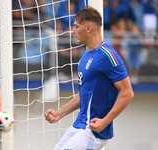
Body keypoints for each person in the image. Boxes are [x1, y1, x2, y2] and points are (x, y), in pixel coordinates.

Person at [45, 6, 134, 150]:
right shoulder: (85, 56)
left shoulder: (108, 55)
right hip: (79, 126)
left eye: (76, 27)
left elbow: (127, 92)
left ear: (88, 28)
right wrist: (59, 114)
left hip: (93, 131)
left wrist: (105, 121)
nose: (73, 31)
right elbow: (84, 95)